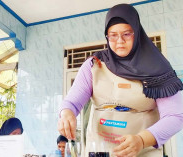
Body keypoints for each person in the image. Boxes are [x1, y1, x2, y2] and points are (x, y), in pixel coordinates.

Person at [58, 3, 183, 157]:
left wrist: (141, 140)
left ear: (136, 33)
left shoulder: (158, 69)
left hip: (142, 152)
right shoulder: (93, 65)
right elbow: (72, 102)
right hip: (99, 151)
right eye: (113, 35)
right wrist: (66, 113)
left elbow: (175, 117)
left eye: (126, 34)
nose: (119, 41)